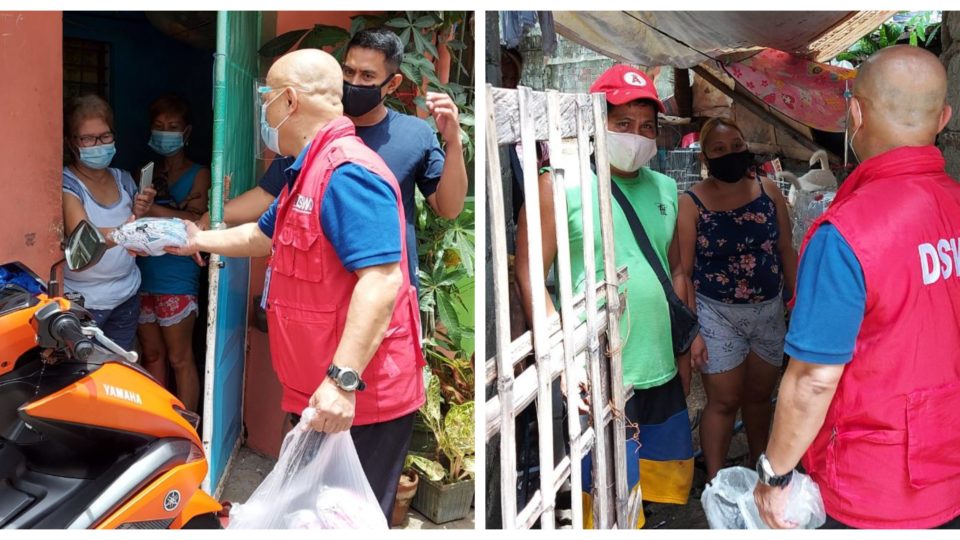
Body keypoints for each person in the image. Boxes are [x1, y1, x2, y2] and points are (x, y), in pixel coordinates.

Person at [168, 48, 425, 522]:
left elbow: (381, 280)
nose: (264, 112)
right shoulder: (307, 169)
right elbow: (262, 235)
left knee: (343, 521)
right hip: (318, 392)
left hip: (358, 400)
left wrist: (342, 381)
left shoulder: (348, 172)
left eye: (266, 98)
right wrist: (195, 240)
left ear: (288, 101)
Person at [754, 45, 960, 529]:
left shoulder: (846, 232)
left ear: (856, 114)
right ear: (943, 118)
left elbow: (814, 378)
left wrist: (774, 474)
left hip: (873, 488)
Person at [515, 65, 695, 527]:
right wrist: (563, 359)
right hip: (596, 369)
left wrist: (685, 346)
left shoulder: (666, 188)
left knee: (651, 490)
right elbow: (531, 272)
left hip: (660, 366)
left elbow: (675, 269)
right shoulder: (559, 183)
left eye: (647, 127)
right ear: (596, 122)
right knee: (604, 494)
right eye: (623, 123)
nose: (636, 136)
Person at [198, 27, 467, 290]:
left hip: (384, 289)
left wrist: (454, 142)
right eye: (348, 71)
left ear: (392, 84)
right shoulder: (313, 132)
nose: (354, 82)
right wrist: (211, 218)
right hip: (320, 290)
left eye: (367, 75)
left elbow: (449, 208)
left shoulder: (415, 134)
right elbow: (268, 195)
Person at [677, 117, 797, 481]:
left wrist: (797, 306)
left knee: (760, 398)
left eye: (737, 146)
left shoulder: (768, 190)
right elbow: (684, 271)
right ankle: (716, 484)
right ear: (705, 157)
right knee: (725, 401)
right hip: (717, 314)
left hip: (768, 311)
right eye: (719, 149)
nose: (730, 154)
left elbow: (785, 250)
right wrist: (693, 331)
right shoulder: (691, 203)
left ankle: (760, 474)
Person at [61, 94, 156, 350]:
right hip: (84, 302)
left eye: (105, 136)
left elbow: (134, 231)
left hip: (126, 295)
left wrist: (140, 212)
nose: (98, 144)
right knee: (83, 367)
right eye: (87, 138)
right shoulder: (67, 184)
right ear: (71, 142)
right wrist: (128, 231)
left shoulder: (123, 179)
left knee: (120, 364)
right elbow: (83, 238)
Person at [136, 94, 211, 412]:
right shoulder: (146, 173)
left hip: (178, 275)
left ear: (187, 132)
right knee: (152, 355)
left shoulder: (200, 174)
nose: (165, 132)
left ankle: (186, 426)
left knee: (180, 358)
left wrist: (151, 208)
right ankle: (158, 420)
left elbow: (197, 220)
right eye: (159, 126)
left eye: (173, 126)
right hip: (144, 274)